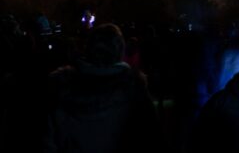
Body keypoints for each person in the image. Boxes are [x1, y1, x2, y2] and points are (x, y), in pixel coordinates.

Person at [43, 23, 160, 153]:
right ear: (120, 50)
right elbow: (152, 139)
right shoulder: (134, 88)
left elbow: (47, 140)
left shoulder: (61, 87)